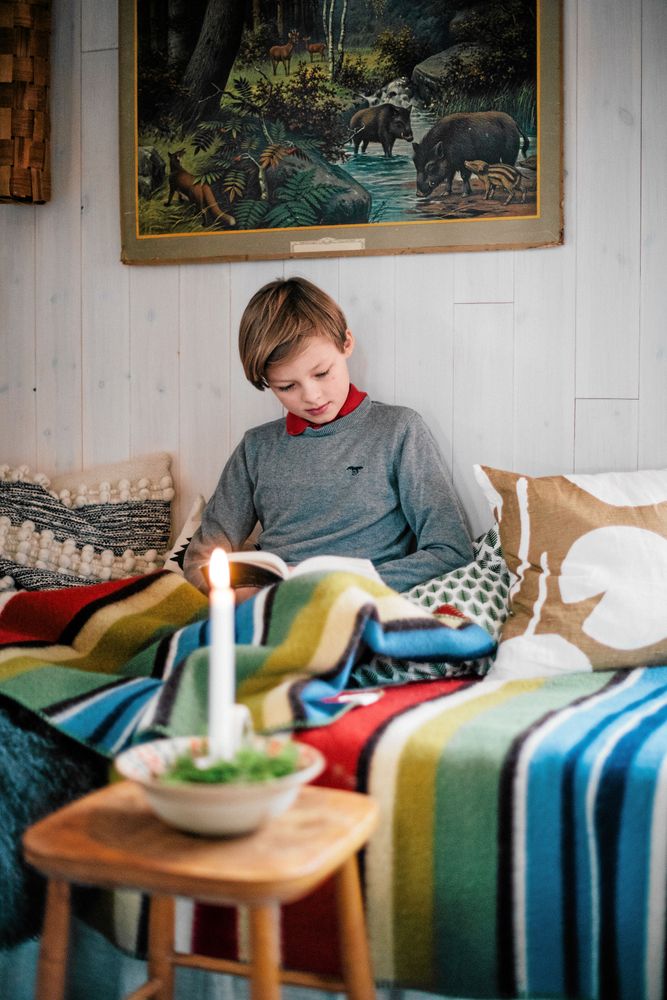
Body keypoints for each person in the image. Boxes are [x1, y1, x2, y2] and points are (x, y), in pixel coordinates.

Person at [183, 276, 473, 597]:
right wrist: (237, 594)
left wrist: (341, 586)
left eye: (322, 373)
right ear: (267, 382)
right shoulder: (256, 448)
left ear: (346, 343)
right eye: (286, 387)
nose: (312, 396)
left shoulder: (398, 430)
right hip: (274, 605)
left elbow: (450, 551)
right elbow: (200, 559)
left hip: (363, 601)